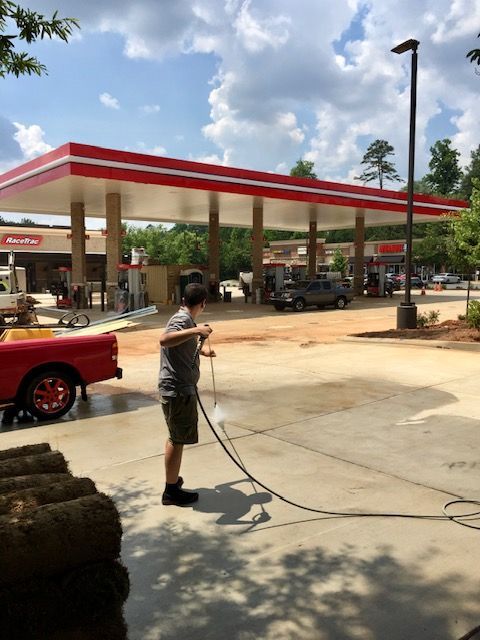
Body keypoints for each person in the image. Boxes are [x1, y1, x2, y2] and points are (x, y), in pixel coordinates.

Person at [158, 283, 215, 506]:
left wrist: (201, 350)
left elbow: (180, 343)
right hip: (177, 390)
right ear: (203, 303)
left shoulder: (184, 319)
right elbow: (165, 340)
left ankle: (172, 481)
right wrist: (196, 331)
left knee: (176, 436)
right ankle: (171, 491)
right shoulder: (182, 321)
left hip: (179, 389)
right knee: (177, 438)